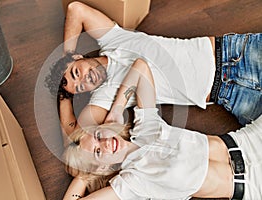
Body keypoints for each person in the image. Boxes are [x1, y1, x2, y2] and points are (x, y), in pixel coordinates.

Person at [45, 1, 261, 138]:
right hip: (232, 97)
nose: (85, 80)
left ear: (78, 57)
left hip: (234, 55)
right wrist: (63, 94)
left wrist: (66, 57)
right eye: (81, 87)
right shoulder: (104, 98)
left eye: (76, 73)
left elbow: (76, 9)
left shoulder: (113, 40)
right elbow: (75, 135)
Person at [61, 58, 262, 200]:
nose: (105, 143)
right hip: (254, 184)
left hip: (249, 140)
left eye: (97, 136)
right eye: (98, 152)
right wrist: (85, 173)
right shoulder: (133, 182)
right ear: (103, 168)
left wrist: (116, 110)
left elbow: (141, 68)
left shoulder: (146, 129)